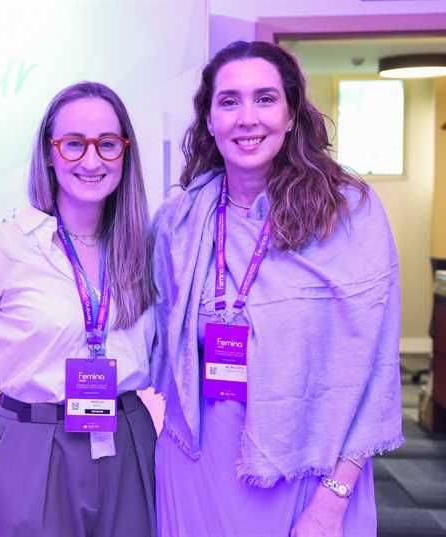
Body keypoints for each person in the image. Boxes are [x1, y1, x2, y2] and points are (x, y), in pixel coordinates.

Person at [151, 41, 403, 537]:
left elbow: (375, 371)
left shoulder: (349, 213)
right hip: (196, 465)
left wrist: (333, 499)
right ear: (209, 121)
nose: (247, 118)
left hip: (311, 476)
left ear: (291, 115)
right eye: (229, 101)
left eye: (265, 99)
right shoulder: (178, 222)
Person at [0, 81, 157, 537]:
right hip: (33, 450)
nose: (91, 161)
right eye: (73, 144)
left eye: (107, 144)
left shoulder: (146, 249)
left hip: (130, 444)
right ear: (49, 153)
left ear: (125, 153)